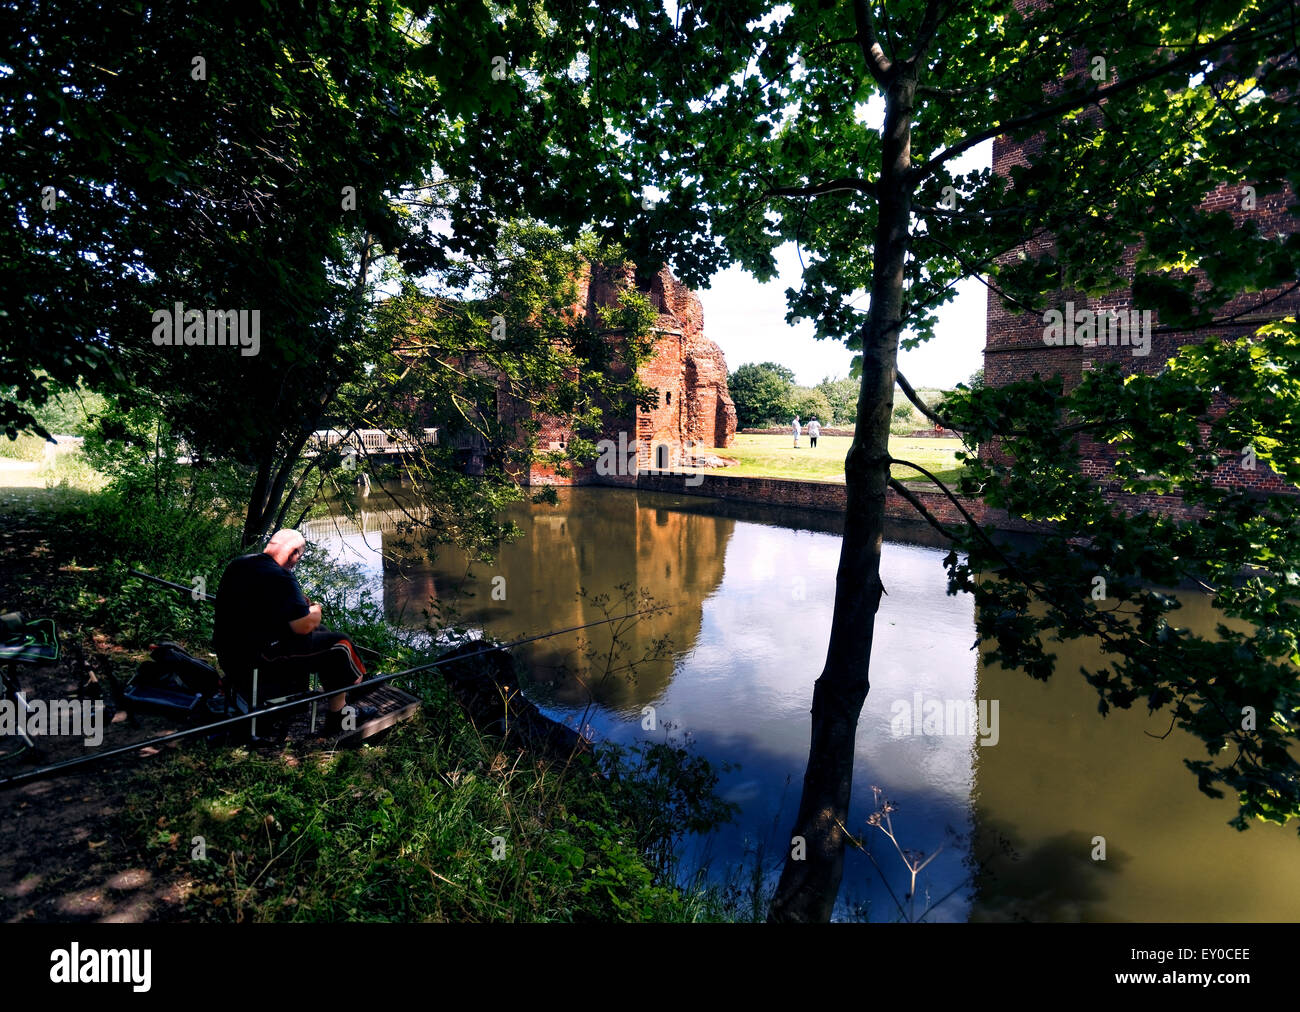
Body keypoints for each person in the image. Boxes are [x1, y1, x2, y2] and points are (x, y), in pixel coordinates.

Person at [214, 529, 375, 735]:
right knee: (340, 644)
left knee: (323, 632)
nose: (296, 563)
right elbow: (304, 625)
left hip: (230, 655)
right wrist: (315, 611)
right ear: (293, 553)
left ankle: (346, 688)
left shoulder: (240, 564)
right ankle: (340, 715)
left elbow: (261, 607)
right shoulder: (280, 575)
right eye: (298, 557)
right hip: (257, 661)